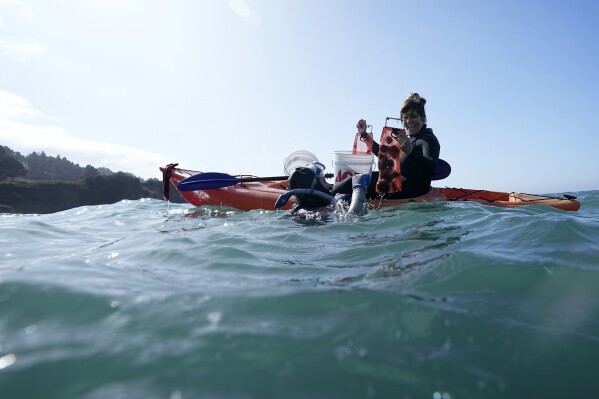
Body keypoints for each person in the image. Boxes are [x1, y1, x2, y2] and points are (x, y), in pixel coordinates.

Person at [331, 92, 440, 199]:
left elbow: (431, 169)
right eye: (405, 117)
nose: (408, 121)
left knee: (356, 181)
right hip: (395, 183)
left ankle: (325, 195)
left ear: (422, 117)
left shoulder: (428, 140)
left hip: (408, 191)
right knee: (359, 177)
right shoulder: (409, 139)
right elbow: (386, 157)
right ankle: (327, 190)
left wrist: (411, 151)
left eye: (413, 116)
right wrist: (364, 135)